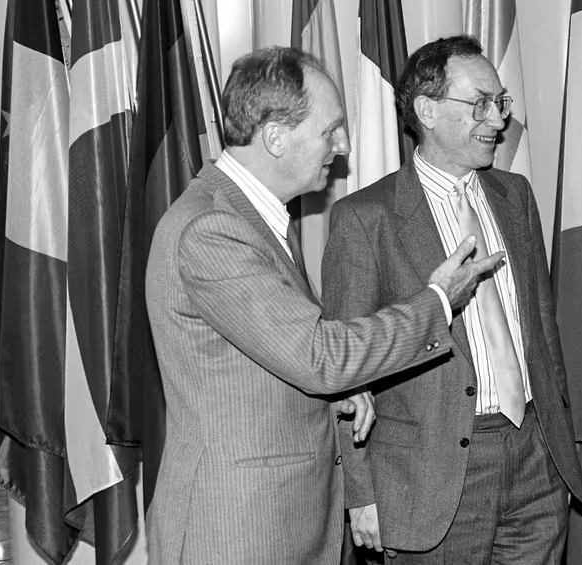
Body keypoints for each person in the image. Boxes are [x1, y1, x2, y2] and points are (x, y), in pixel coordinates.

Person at [145, 46, 503, 564]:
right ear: (275, 136)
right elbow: (320, 357)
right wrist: (438, 302)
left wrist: (334, 397)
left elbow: (256, 363)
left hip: (278, 522)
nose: (344, 145)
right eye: (329, 129)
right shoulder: (213, 229)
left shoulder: (256, 219)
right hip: (237, 530)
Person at [322, 35, 582, 563]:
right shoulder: (365, 219)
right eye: (481, 104)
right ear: (427, 110)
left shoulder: (517, 198)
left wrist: (560, 445)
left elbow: (541, 332)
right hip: (430, 478)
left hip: (535, 459)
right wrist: (360, 493)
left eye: (502, 102)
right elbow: (342, 369)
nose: (499, 119)